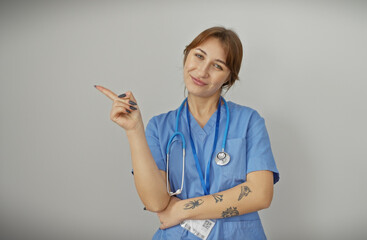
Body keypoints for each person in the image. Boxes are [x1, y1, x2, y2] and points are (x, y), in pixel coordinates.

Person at [95, 26, 280, 240]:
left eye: (217, 66)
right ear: (186, 56)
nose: (202, 71)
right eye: (199, 56)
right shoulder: (159, 126)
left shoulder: (249, 121)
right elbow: (155, 202)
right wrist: (134, 130)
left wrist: (182, 209)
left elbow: (260, 194)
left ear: (229, 77)